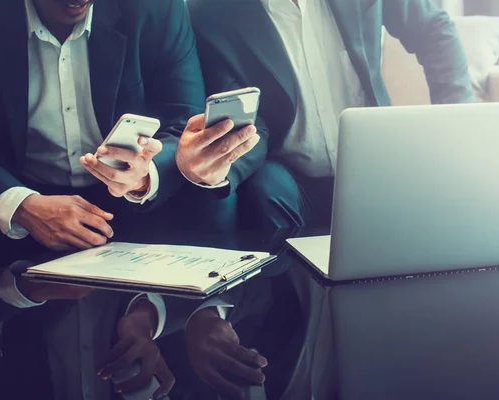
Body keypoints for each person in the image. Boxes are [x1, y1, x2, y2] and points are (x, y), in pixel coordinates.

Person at [174, 0, 476, 397]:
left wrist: (460, 121)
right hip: (290, 181)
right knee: (265, 191)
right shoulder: (214, 14)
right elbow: (252, 123)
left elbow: (434, 28)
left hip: (377, 167)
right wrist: (217, 165)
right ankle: (287, 311)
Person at [0, 0, 262, 398]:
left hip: (140, 213)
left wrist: (146, 175)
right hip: (15, 214)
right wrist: (18, 203)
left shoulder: (155, 8)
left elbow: (181, 117)